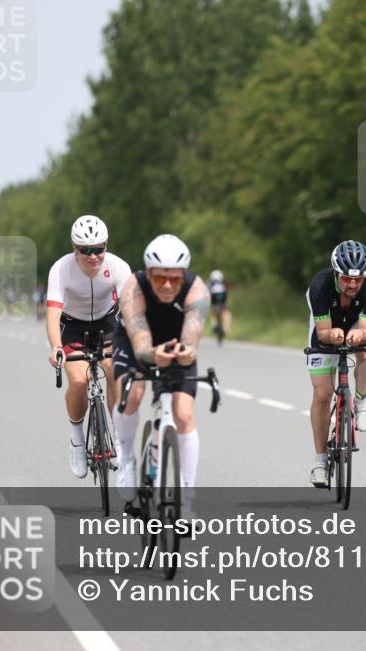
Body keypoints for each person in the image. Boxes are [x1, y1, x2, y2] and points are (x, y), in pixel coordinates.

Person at [112, 235, 209, 512]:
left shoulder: (197, 290)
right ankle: (127, 460)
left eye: (175, 279)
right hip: (135, 343)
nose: (167, 285)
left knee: (184, 414)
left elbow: (191, 343)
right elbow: (142, 347)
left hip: (175, 342)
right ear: (149, 273)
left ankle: (187, 499)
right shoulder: (133, 288)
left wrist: (186, 352)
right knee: (133, 393)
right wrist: (155, 356)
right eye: (160, 278)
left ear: (184, 275)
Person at [45, 215, 132, 479]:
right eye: (86, 250)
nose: (93, 256)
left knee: (114, 368)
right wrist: (56, 347)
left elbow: (130, 308)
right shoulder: (61, 269)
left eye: (99, 249)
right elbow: (52, 314)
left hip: (107, 322)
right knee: (80, 381)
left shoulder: (118, 266)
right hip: (73, 326)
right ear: (75, 248)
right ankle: (76, 439)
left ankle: (118, 434)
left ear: (106, 245)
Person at [304, 240, 366, 488]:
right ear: (336, 274)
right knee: (321, 395)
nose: (352, 284)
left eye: (358, 280)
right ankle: (319, 462)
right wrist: (333, 336)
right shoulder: (319, 287)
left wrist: (359, 336)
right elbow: (323, 332)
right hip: (326, 327)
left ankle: (361, 402)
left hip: (355, 324)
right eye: (347, 279)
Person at [208, 269, 231, 343]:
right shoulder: (224, 283)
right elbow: (227, 294)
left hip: (214, 304)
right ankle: (225, 329)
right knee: (226, 313)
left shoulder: (210, 283)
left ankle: (214, 325)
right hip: (223, 304)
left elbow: (208, 294)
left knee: (212, 313)